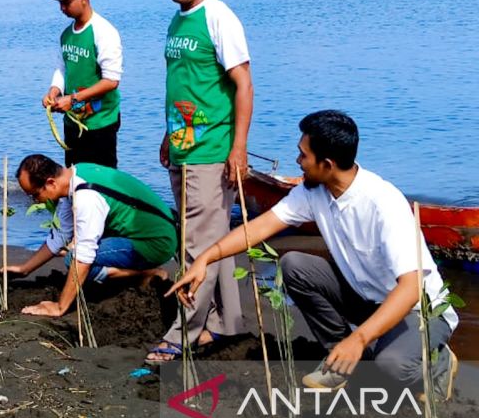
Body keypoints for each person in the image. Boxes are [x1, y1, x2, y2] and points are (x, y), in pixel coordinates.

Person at [169, 111, 459, 398]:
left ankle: (439, 364)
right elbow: (259, 227)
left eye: (303, 155)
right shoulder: (314, 191)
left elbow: (409, 291)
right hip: (367, 298)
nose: (298, 162)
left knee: (392, 366)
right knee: (295, 265)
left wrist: (360, 338)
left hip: (418, 309)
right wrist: (207, 258)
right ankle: (339, 358)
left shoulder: (383, 204)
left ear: (328, 164)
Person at [147, 0, 254, 363]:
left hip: (211, 151)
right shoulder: (178, 20)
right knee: (212, 240)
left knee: (195, 245)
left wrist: (239, 148)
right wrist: (167, 136)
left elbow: (243, 83)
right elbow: (183, 85)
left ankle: (185, 332)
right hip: (182, 147)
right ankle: (225, 323)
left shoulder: (219, 17)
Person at [3, 155, 178, 316]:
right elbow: (61, 234)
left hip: (155, 243)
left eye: (35, 195)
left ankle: (144, 274)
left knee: (72, 259)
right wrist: (25, 269)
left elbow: (83, 257)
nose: (35, 201)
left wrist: (60, 307)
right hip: (151, 231)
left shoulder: (86, 198)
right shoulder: (76, 175)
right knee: (74, 255)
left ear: (50, 183)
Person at [41, 0, 123, 167]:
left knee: (102, 181)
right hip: (72, 121)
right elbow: (62, 69)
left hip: (100, 122)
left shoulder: (104, 32)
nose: (62, 8)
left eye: (66, 2)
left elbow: (111, 81)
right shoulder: (66, 35)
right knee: (75, 177)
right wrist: (55, 90)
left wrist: (73, 99)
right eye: (59, 3)